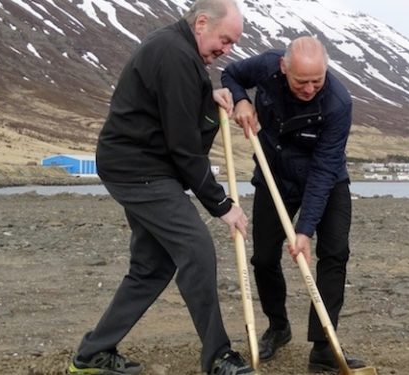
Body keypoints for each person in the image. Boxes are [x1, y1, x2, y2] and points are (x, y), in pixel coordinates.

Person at [66, 1, 256, 374]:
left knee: (151, 267)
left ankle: (91, 355)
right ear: (202, 22)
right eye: (225, 39)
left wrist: (208, 96)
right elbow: (185, 149)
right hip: (140, 171)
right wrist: (222, 204)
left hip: (140, 167)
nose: (227, 50)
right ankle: (218, 357)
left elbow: (176, 111)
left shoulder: (180, 52)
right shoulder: (174, 54)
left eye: (233, 44)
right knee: (197, 249)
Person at [220, 36, 367, 372]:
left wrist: (304, 230)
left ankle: (323, 347)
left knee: (335, 254)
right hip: (274, 173)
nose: (309, 88)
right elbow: (230, 74)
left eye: (317, 80)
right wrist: (241, 100)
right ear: (284, 68)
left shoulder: (338, 102)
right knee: (264, 257)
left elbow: (324, 169)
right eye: (302, 81)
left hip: (326, 179)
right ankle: (278, 327)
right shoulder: (268, 65)